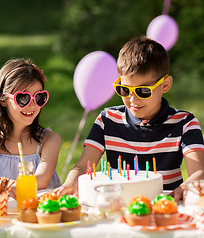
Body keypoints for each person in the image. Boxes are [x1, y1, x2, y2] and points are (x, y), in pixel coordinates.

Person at [56, 36, 204, 202]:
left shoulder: (185, 123)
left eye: (143, 91)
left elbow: (199, 172)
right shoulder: (107, 120)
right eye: (124, 90)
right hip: (116, 205)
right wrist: (70, 183)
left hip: (166, 206)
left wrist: (185, 187)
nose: (132, 99)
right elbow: (83, 166)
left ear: (165, 85)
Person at [0, 58, 61, 195]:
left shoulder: (49, 139)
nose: (32, 105)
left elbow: (41, 181)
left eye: (39, 97)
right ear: (3, 99)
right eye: (23, 98)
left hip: (37, 212)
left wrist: (3, 185)